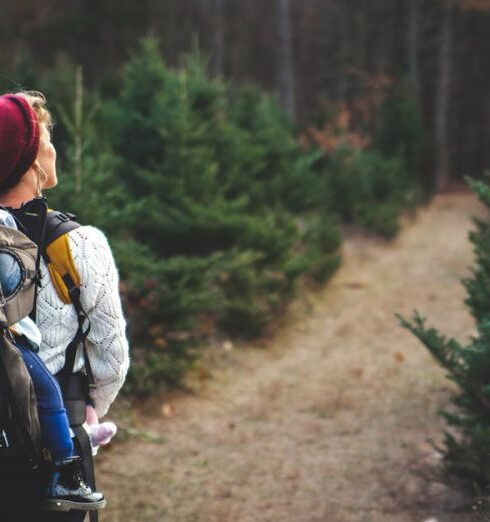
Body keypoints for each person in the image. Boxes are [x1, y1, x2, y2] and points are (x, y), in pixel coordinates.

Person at [0, 91, 130, 521]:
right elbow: (112, 357)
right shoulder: (79, 244)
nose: (55, 146)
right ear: (32, 161)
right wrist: (89, 413)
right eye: (47, 138)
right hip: (58, 440)